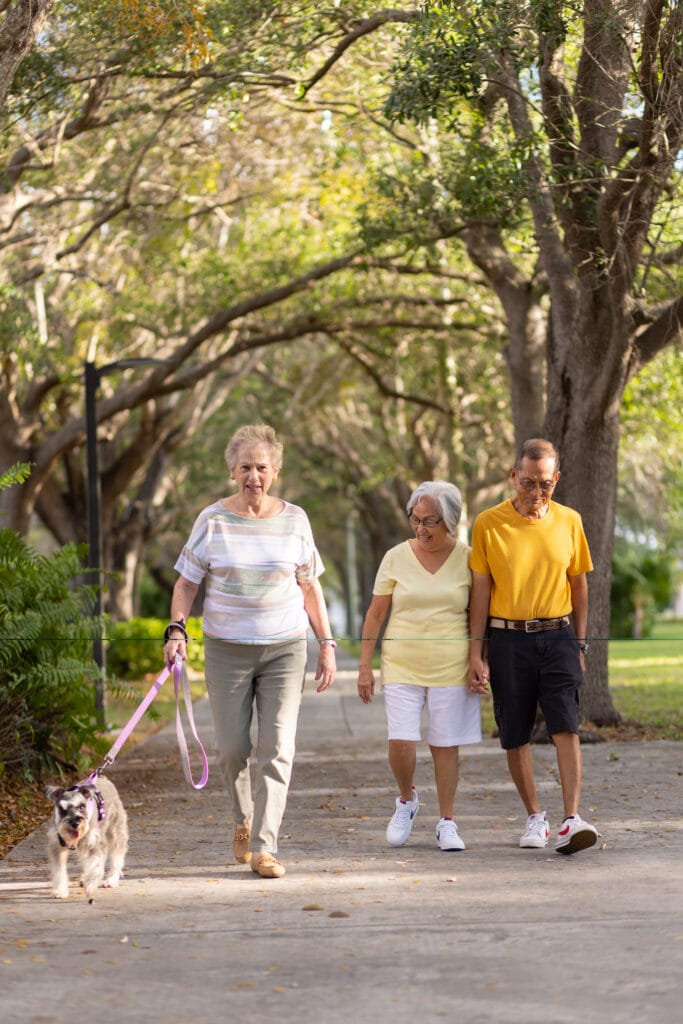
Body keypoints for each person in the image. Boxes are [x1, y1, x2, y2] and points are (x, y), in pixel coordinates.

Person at [162, 424, 336, 879]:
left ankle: (264, 846)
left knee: (277, 747)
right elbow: (186, 584)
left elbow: (310, 587)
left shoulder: (296, 520)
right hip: (227, 650)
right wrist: (177, 629)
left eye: (261, 467)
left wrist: (327, 644)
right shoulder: (212, 520)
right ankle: (243, 819)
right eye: (245, 467)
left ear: (275, 471)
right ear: (232, 472)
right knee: (233, 749)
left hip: (285, 649)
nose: (253, 476)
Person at [468, 437, 598, 854]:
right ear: (513, 476)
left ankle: (571, 819)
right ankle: (535, 817)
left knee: (566, 725)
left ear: (556, 478)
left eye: (545, 483)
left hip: (559, 636)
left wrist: (580, 644)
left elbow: (579, 586)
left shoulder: (570, 521)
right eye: (528, 482)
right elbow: (480, 592)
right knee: (515, 731)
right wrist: (476, 653)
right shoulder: (488, 524)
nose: (536, 492)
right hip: (507, 639)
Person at [357, 481, 481, 852]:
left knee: (445, 745)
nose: (421, 528)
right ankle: (406, 799)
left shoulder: (469, 557)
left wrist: (479, 659)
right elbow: (376, 614)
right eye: (415, 519)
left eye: (430, 521)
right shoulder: (396, 557)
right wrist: (364, 666)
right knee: (401, 741)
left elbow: (479, 614)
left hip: (451, 665)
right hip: (402, 663)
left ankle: (447, 822)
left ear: (450, 522)